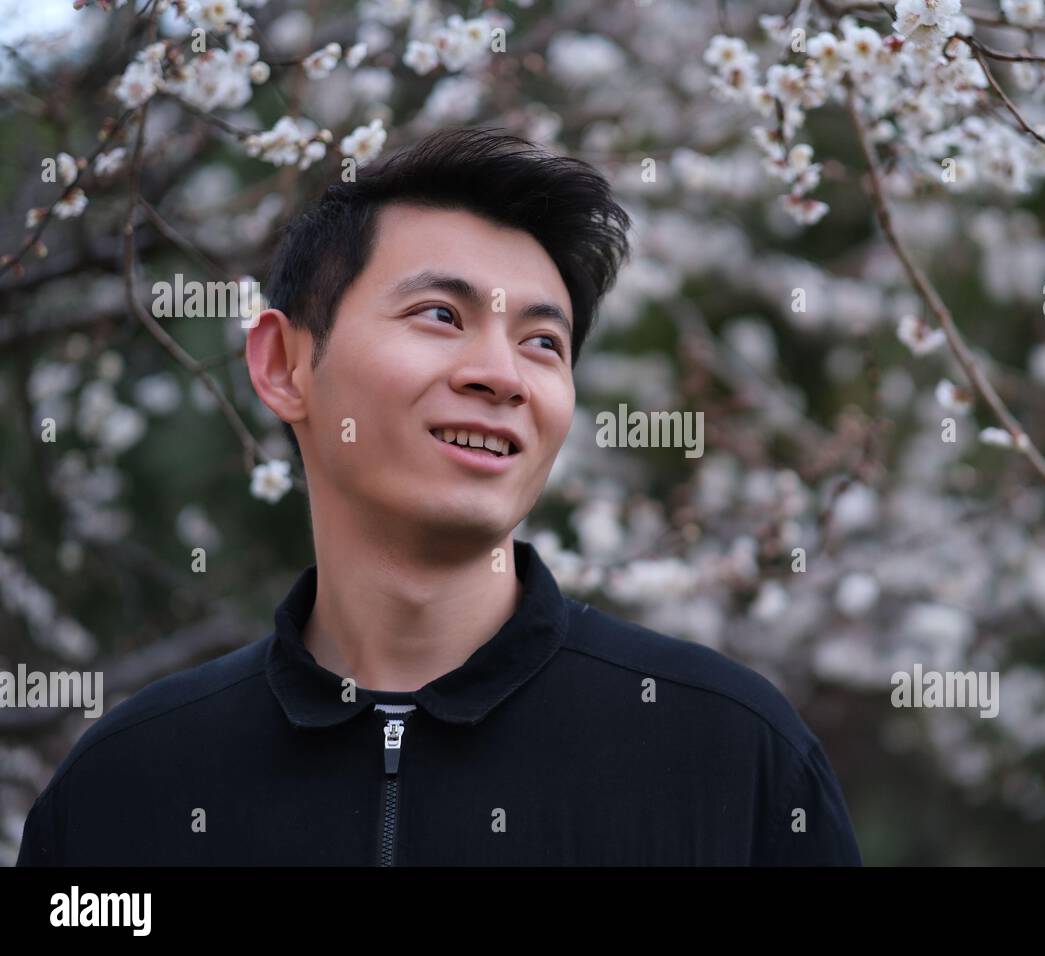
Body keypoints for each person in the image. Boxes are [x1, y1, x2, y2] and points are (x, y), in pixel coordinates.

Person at [17, 127, 861, 866]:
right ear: (282, 364)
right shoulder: (126, 786)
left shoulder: (730, 755)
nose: (500, 377)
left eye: (542, 341)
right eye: (440, 316)